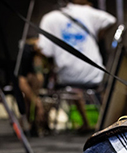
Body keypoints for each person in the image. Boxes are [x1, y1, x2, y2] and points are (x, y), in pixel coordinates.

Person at [37, 0, 116, 132]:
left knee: (71, 86)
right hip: (94, 74)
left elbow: (45, 51)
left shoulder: (49, 18)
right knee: (102, 86)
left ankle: (85, 122)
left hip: (67, 75)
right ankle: (110, 123)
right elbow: (111, 20)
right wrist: (98, 35)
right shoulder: (87, 11)